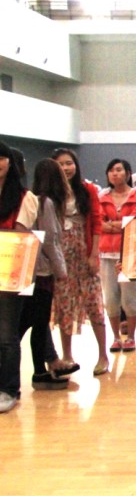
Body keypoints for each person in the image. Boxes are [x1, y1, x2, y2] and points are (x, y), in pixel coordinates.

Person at [51, 148, 109, 376]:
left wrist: (94, 254)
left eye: (69, 163)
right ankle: (67, 355)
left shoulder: (87, 189)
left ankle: (103, 355)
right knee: (64, 302)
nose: (66, 168)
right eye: (61, 164)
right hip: (60, 253)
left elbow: (96, 221)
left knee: (94, 302)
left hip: (84, 249)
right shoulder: (50, 192)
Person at [19, 158, 71, 389]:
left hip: (31, 269)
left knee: (32, 323)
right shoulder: (46, 203)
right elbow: (50, 241)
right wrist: (61, 270)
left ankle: (40, 370)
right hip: (41, 272)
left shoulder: (32, 199)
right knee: (36, 324)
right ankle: (39, 372)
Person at [0, 141, 40, 413]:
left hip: (10, 274)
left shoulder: (25, 197)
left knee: (6, 334)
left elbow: (20, 236)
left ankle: (9, 388)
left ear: (10, 162)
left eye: (1, 158)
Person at [99, 158, 136, 352]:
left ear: (128, 173)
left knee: (130, 297)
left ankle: (131, 337)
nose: (115, 173)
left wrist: (110, 224)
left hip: (130, 253)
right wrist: (119, 225)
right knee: (110, 298)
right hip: (106, 253)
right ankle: (116, 337)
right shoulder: (102, 196)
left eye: (119, 170)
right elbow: (98, 223)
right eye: (111, 170)